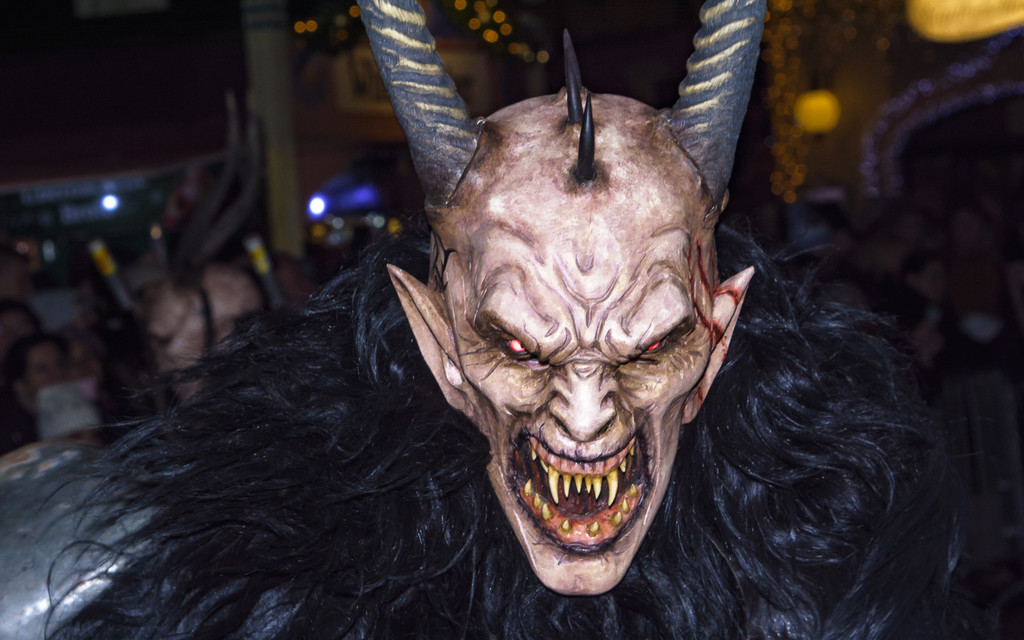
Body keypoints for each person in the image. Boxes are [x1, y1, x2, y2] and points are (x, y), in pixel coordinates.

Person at [0, 1, 992, 638]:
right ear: (436, 338)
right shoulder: (248, 572)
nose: (588, 412)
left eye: (650, 347)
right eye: (518, 345)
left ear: (718, 332)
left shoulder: (831, 561)